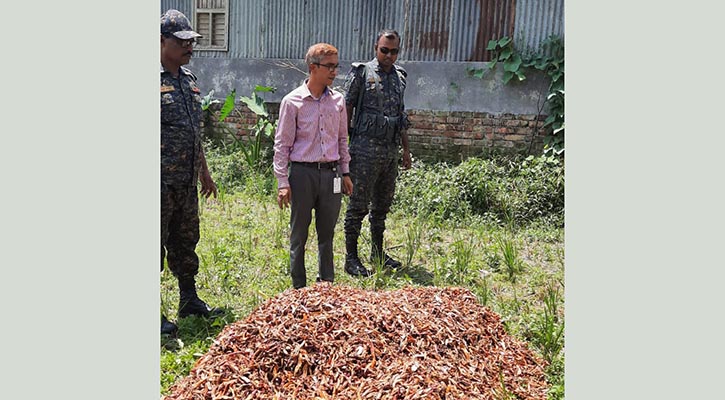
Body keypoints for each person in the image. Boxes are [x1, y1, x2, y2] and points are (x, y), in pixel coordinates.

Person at [160, 9, 221, 335]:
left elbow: (194, 133)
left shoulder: (188, 82)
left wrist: (204, 173)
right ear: (161, 42)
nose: (189, 47)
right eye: (181, 41)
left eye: (191, 41)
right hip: (158, 182)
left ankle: (188, 299)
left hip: (184, 181)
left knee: (185, 240)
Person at [273, 43, 353, 289]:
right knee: (299, 233)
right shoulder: (293, 102)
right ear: (312, 68)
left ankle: (326, 283)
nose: (334, 72)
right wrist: (283, 182)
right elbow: (282, 144)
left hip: (332, 175)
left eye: (336, 66)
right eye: (329, 67)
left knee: (327, 233)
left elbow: (342, 139)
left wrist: (346, 172)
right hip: (302, 174)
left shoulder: (338, 101)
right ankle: (299, 287)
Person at [342, 29, 412, 277]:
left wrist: (406, 150)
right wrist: (345, 146)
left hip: (389, 151)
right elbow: (346, 108)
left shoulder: (400, 76)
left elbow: (401, 114)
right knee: (358, 204)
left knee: (382, 205)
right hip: (364, 149)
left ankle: (377, 252)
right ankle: (351, 259)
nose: (389, 55)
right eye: (384, 50)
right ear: (375, 48)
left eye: (394, 51)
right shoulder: (362, 72)